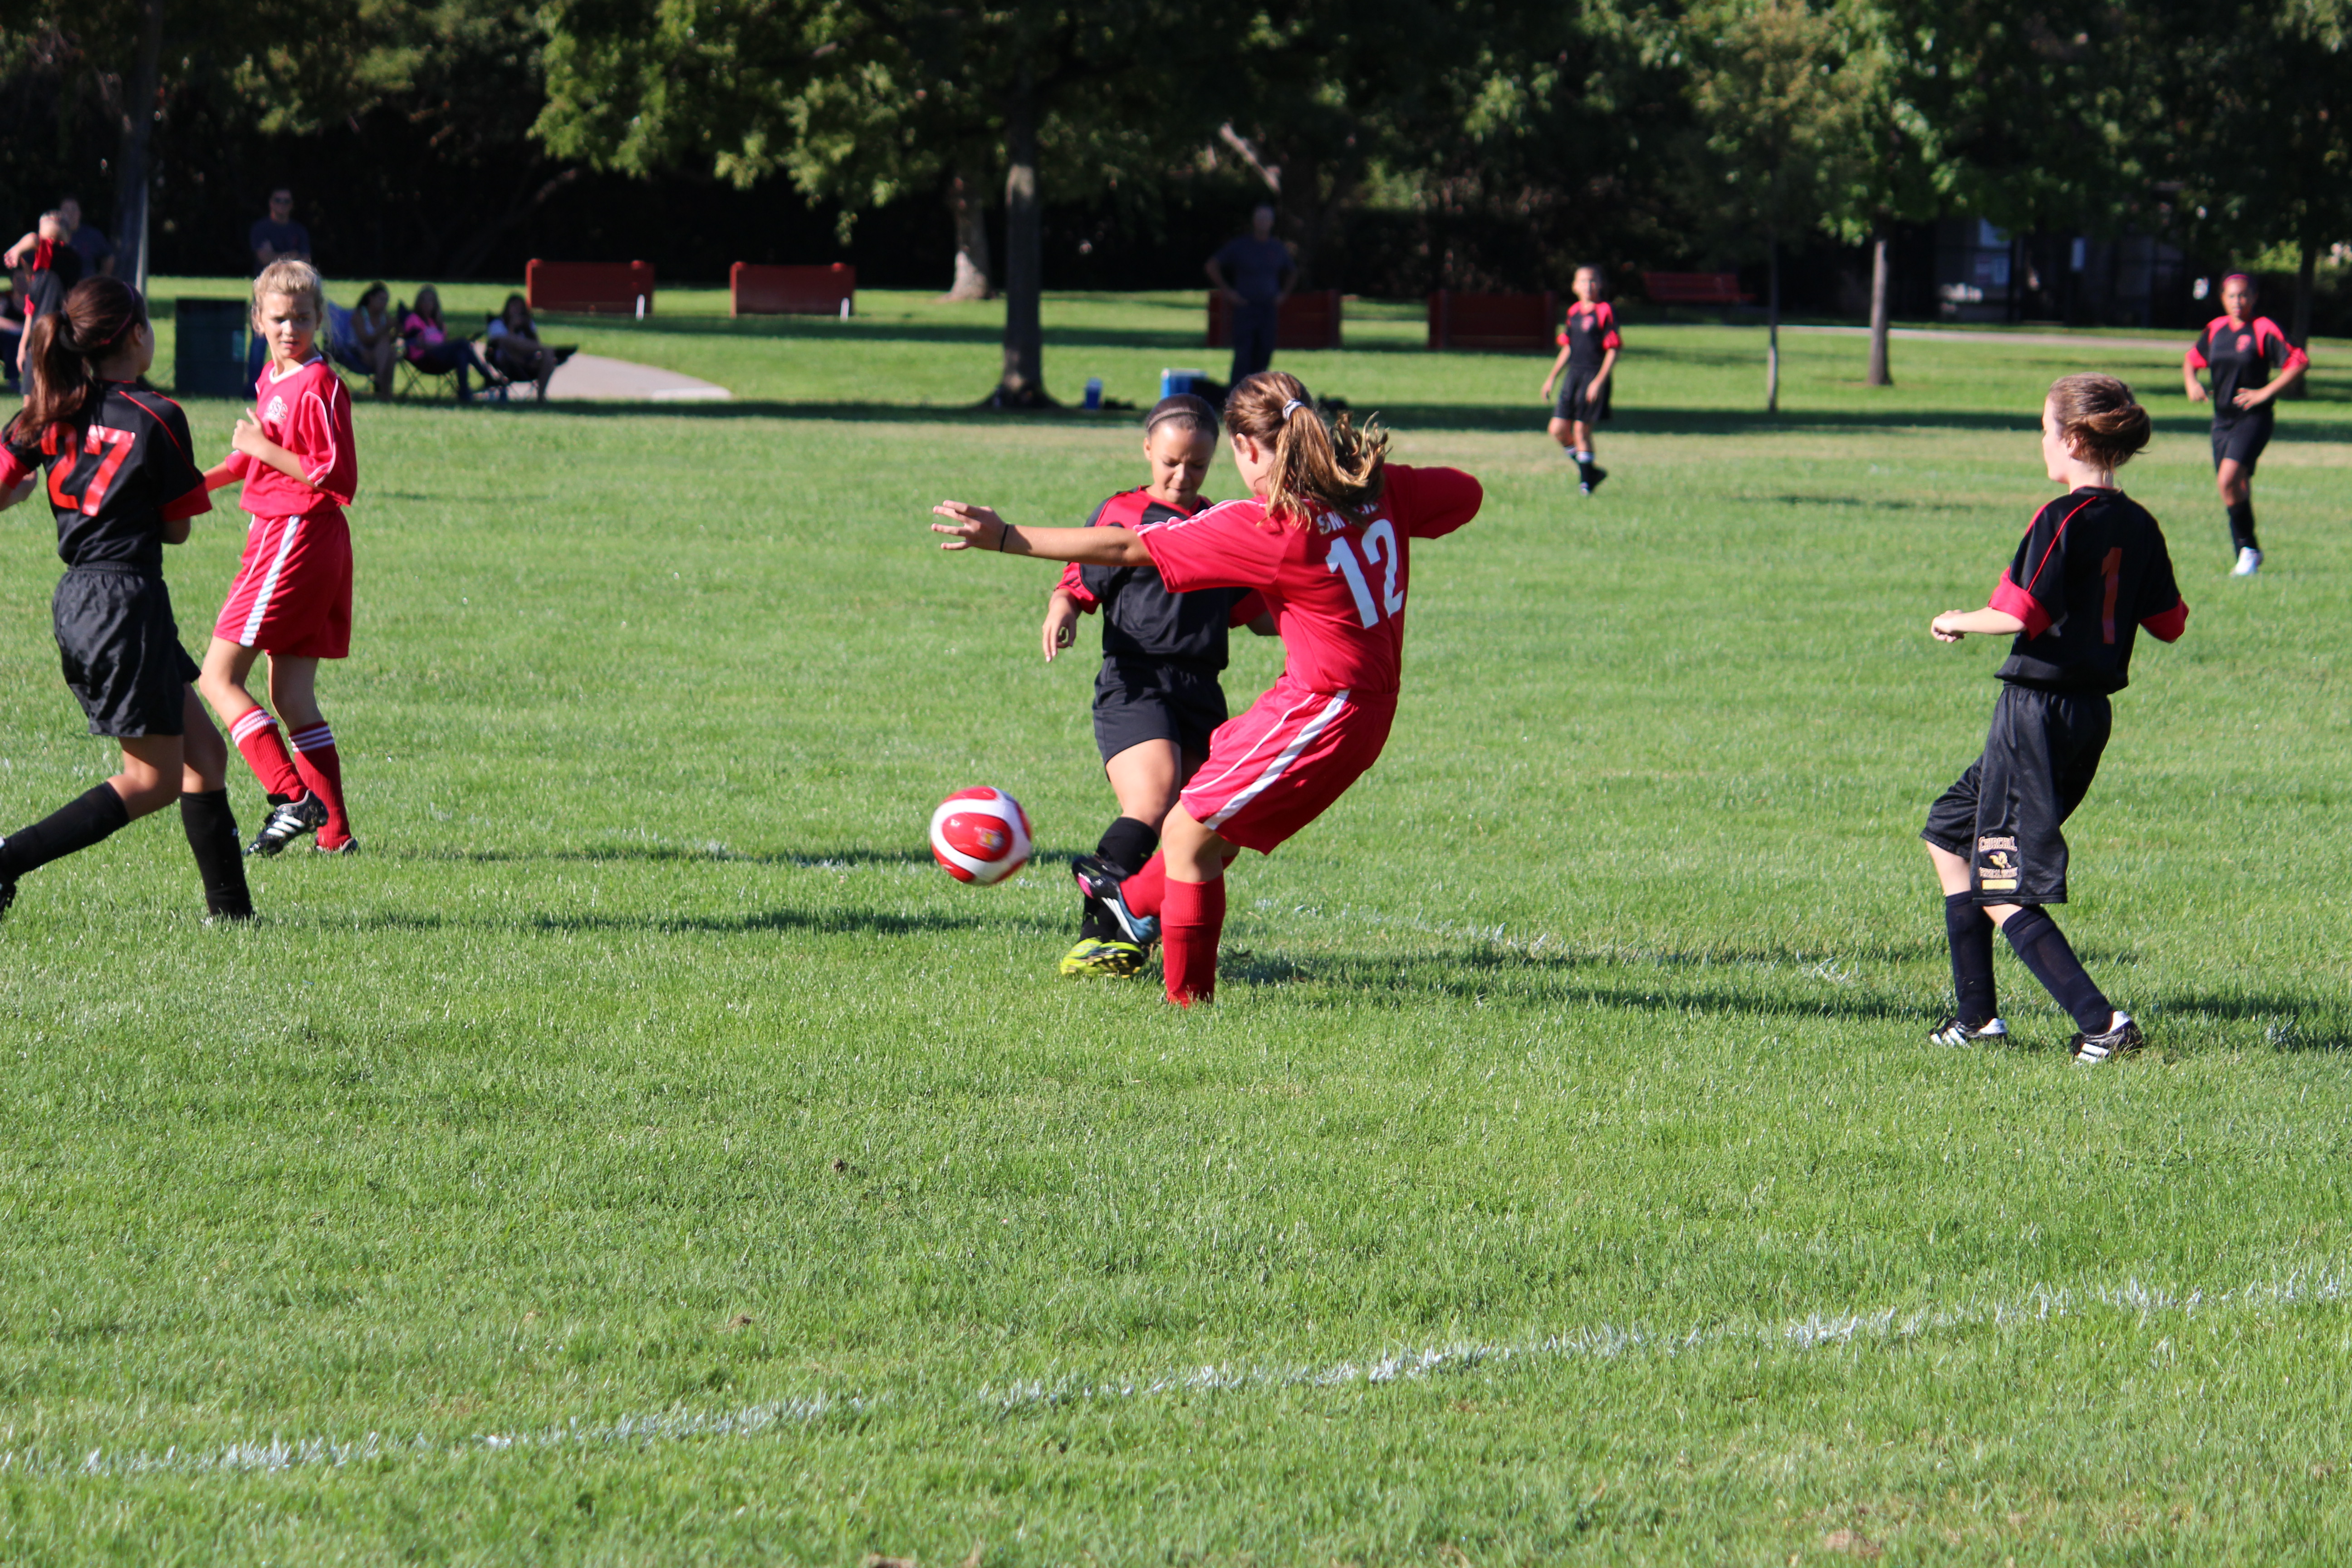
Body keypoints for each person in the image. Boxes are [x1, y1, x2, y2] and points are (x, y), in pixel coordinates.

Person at [932, 371, 1485, 1007]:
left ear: (1245, 448)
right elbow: (1466, 494)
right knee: (1203, 834)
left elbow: (1128, 547)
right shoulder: (1377, 491)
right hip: (1351, 708)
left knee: (1191, 834)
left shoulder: (1270, 524)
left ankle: (1187, 1004)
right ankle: (1131, 908)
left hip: (1320, 710)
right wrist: (1365, 484)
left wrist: (1006, 537)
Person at [1919, 373, 2188, 1065]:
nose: (2041, 442)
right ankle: (1977, 1019)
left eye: (2044, 430)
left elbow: (2018, 614)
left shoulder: (2061, 518)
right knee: (1949, 832)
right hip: (2087, 716)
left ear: (2072, 439)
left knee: (2000, 876)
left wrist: (1954, 619)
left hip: (2035, 715)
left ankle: (2103, 1023)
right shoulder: (2141, 524)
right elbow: (2170, 624)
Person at [0, 276, 255, 923]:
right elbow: (178, 529)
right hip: (125, 602)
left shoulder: (49, 409)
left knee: (205, 754)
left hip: (82, 598)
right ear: (137, 334)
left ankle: (232, 916)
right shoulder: (158, 415)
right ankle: (6, 860)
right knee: (151, 781)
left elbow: (5, 481)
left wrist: (26, 491)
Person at [1040, 393, 1274, 978]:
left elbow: (1254, 612)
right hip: (1135, 680)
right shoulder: (1122, 512)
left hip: (1201, 690)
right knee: (1154, 798)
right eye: (1171, 461)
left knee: (1213, 828)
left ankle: (1137, 928)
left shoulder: (1222, 521)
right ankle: (1098, 932)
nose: (1182, 475)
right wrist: (1062, 609)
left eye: (1197, 465)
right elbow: (1078, 581)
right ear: (1148, 449)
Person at [196, 259, 361, 857]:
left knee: (217, 678)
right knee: (291, 696)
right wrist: (192, 488)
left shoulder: (320, 385)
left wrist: (260, 447)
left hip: (295, 534)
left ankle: (293, 797)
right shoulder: (274, 376)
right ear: (258, 320)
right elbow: (252, 456)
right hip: (297, 536)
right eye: (279, 319)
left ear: (320, 320)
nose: (290, 329)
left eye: (302, 318)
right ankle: (335, 837)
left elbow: (336, 476)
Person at [2182, 272, 2308, 577]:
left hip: (2254, 418)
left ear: (2254, 297)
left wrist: (2265, 392)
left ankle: (2248, 551)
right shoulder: (2216, 329)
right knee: (2236, 487)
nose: (2238, 302)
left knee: (2228, 481)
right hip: (2222, 421)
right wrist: (2192, 383)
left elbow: (2298, 360)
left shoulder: (2264, 328)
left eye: (2243, 295)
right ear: (2222, 299)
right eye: (2231, 296)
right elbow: (2191, 359)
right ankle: (2247, 552)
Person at [1539, 265, 1621, 495]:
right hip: (1573, 375)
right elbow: (1568, 347)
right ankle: (1590, 471)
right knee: (1557, 429)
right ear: (1575, 286)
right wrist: (1552, 378)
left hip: (1593, 375)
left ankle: (1586, 486)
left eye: (1593, 281)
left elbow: (1613, 349)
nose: (1588, 286)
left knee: (1581, 430)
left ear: (1600, 284)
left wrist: (1599, 381)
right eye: (1583, 281)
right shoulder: (1574, 312)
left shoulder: (1605, 310)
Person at [1206, 205, 1295, 386]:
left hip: (1268, 309)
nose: (1263, 223)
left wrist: (1283, 295)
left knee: (1264, 353)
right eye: (1259, 219)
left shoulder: (1277, 248)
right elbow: (1212, 265)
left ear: (1272, 223)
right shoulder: (1240, 246)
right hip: (1245, 308)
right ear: (1254, 221)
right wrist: (1228, 292)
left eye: (1266, 219)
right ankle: (1236, 395)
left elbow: (1292, 272)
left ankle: (1259, 395)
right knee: (1243, 356)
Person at [400, 285, 501, 402]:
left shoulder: (437, 323)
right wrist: (443, 347)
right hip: (424, 359)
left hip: (440, 359)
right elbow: (420, 344)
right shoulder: (413, 319)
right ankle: (486, 377)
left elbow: (444, 342)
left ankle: (465, 394)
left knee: (461, 355)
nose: (427, 304)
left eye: (431, 301)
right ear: (418, 302)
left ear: (435, 304)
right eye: (424, 300)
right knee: (462, 343)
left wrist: (445, 347)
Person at [483, 293, 566, 399]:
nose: (517, 311)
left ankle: (541, 396)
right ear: (507, 308)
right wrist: (512, 327)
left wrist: (528, 330)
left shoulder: (528, 324)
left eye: (520, 308)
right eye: (514, 307)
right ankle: (549, 349)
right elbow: (498, 343)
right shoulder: (497, 324)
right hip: (508, 363)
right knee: (507, 340)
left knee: (548, 353)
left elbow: (536, 343)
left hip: (528, 363)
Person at [334, 281, 400, 398]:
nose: (384, 304)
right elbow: (365, 339)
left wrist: (397, 330)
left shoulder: (385, 317)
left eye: (386, 300)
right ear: (371, 298)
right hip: (358, 354)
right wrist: (385, 329)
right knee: (388, 350)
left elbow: (391, 340)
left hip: (378, 355)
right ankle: (386, 392)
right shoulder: (359, 315)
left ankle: (381, 385)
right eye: (381, 299)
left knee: (391, 352)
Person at [249, 188, 311, 271]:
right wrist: (293, 256)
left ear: (292, 205)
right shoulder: (261, 228)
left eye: (287, 201)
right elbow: (265, 259)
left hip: (294, 275)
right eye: (278, 200)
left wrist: (276, 256)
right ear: (271, 203)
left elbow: (306, 261)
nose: (282, 204)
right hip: (269, 275)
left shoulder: (300, 230)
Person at [58, 196, 115, 278]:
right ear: (60, 213)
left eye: (74, 209)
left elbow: (109, 257)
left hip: (86, 284)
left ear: (80, 213)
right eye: (66, 210)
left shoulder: (92, 235)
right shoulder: (54, 237)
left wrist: (102, 279)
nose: (70, 214)